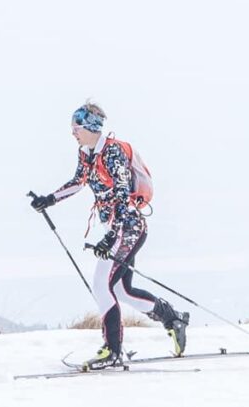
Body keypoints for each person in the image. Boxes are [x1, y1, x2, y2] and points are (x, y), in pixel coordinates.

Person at [29, 102, 187, 369]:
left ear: (90, 127)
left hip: (128, 227)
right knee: (122, 291)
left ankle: (112, 350)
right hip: (118, 229)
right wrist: (49, 199)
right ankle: (173, 319)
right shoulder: (86, 153)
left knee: (102, 285)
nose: (73, 132)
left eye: (76, 127)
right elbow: (79, 181)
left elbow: (123, 195)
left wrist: (112, 235)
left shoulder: (113, 152)